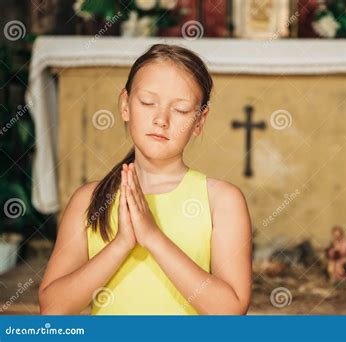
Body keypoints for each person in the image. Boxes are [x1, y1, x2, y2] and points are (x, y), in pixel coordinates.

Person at [38, 44, 252, 315]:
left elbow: (230, 312)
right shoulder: (89, 200)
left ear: (199, 121)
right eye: (148, 103)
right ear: (125, 105)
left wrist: (153, 237)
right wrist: (121, 244)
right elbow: (53, 308)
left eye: (182, 109)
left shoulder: (221, 201)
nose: (161, 119)